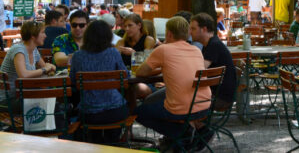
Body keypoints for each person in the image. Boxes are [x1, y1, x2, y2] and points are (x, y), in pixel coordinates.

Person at [134, 16, 211, 144]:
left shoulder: (163, 49)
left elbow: (140, 72)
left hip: (182, 108)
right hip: (204, 105)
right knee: (162, 98)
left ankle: (181, 133)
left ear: (169, 33)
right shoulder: (196, 50)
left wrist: (160, 66)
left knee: (140, 112)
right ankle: (184, 133)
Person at [70, 20, 129, 144]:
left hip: (89, 113)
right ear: (108, 36)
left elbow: (73, 82)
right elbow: (125, 77)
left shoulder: (78, 56)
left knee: (94, 138)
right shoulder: (113, 53)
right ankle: (112, 144)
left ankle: (96, 145)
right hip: (115, 111)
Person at [0, 21, 56, 111]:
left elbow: (46, 68)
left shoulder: (34, 50)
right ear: (32, 36)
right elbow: (24, 75)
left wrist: (47, 68)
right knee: (50, 105)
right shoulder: (18, 49)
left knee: (52, 103)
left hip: (23, 96)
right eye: (42, 32)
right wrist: (45, 69)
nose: (45, 36)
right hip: (7, 101)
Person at [190, 13, 236, 111]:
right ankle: (197, 124)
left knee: (181, 99)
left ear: (204, 29)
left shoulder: (213, 45)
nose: (190, 32)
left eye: (193, 29)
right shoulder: (211, 44)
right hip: (218, 95)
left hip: (220, 99)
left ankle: (196, 125)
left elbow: (200, 71)